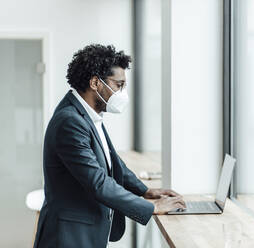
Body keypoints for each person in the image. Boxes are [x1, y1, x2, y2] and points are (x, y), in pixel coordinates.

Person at [33, 44, 185, 248]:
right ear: (96, 82)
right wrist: (151, 206)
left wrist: (145, 191)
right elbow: (98, 182)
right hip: (69, 237)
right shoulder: (70, 121)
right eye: (119, 85)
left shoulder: (87, 114)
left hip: (84, 232)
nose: (122, 93)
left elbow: (113, 161)